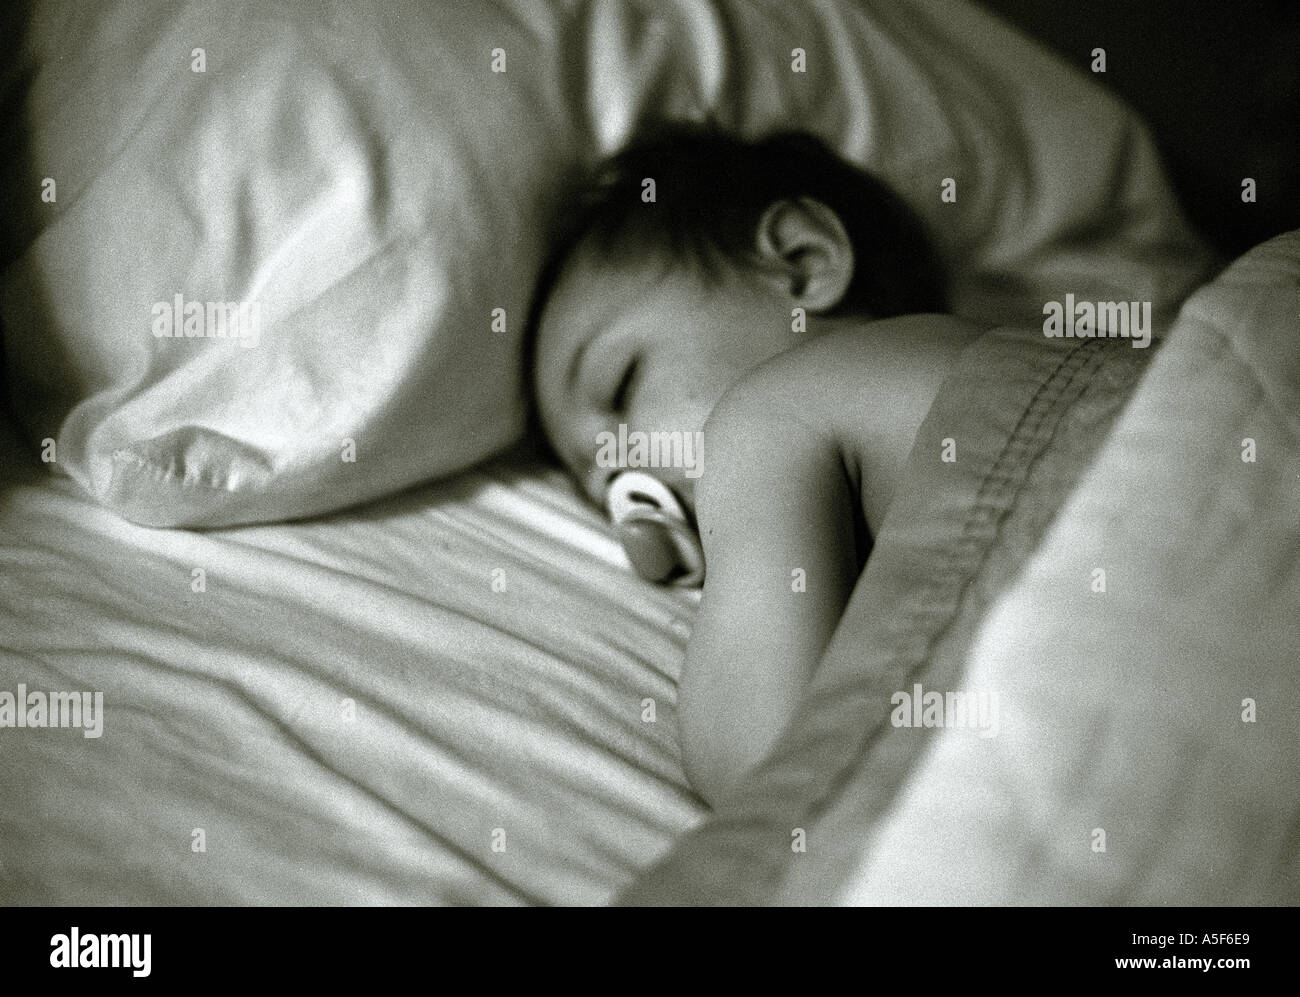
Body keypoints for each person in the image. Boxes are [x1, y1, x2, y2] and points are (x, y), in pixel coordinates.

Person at [527, 121, 995, 805]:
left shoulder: (776, 409)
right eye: (597, 488)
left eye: (623, 384)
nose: (625, 485)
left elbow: (774, 785)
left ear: (803, 264)